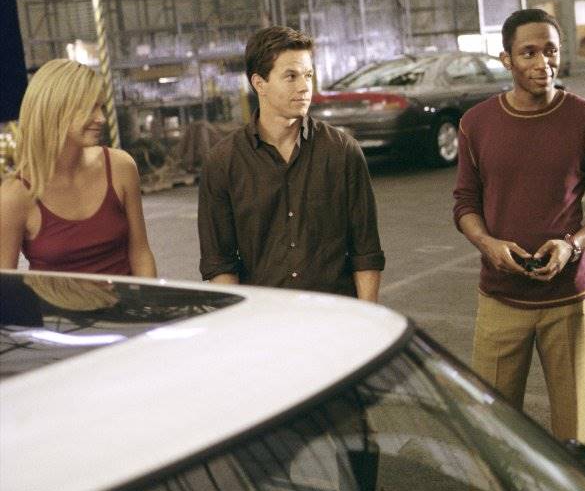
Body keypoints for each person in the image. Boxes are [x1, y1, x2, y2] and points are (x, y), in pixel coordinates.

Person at [453, 8, 585, 445]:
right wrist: (487, 243)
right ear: (506, 59)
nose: (542, 63)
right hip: (500, 299)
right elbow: (465, 204)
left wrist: (573, 245)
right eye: (528, 52)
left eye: (550, 51)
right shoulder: (476, 124)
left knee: (572, 435)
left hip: (568, 302)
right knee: (492, 432)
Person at [198, 26, 384, 300]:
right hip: (264, 315)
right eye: (291, 76)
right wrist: (241, 321)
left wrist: (366, 317)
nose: (304, 87)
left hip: (334, 313)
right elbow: (219, 262)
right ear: (259, 83)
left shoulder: (342, 151)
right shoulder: (223, 162)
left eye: (308, 75)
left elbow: (366, 252)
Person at [0, 59, 157, 277]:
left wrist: (150, 298)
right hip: (55, 302)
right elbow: (5, 284)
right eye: (89, 108)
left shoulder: (120, 167)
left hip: (125, 300)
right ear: (54, 111)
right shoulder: (15, 195)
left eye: (101, 106)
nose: (101, 118)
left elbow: (140, 253)